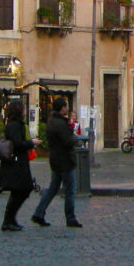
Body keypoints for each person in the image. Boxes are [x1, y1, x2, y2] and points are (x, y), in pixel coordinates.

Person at [30, 98, 81, 228]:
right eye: (65, 106)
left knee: (53, 188)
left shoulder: (51, 121)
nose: (67, 108)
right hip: (65, 160)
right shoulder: (60, 123)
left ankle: (39, 213)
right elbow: (67, 141)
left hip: (55, 159)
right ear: (62, 108)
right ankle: (70, 218)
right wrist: (75, 139)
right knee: (70, 189)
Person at [0, 100, 37, 232]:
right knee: (21, 189)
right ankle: (8, 220)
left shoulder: (16, 124)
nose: (25, 110)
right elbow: (17, 143)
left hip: (19, 162)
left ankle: (10, 219)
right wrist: (31, 143)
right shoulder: (14, 125)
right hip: (16, 163)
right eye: (23, 108)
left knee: (20, 191)